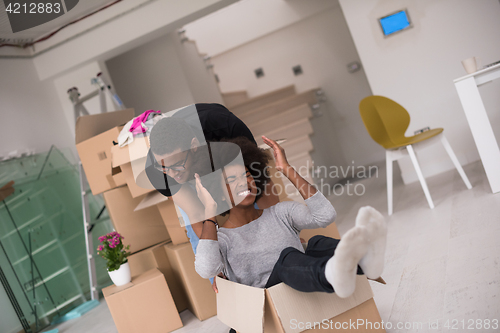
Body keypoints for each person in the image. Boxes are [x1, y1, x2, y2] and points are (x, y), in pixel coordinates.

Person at [193, 136, 387, 298]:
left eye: (246, 175)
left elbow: (325, 216)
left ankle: (365, 260)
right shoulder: (221, 239)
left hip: (303, 283)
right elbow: (206, 269)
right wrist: (210, 209)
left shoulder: (281, 213)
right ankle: (331, 275)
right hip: (269, 300)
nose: (244, 183)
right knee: (287, 258)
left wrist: (287, 169)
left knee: (317, 243)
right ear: (218, 192)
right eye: (231, 180)